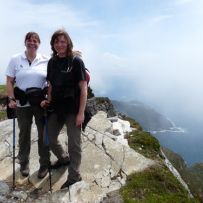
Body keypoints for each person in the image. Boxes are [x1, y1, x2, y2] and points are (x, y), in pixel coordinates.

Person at [41, 29, 87, 188]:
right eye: (56, 41)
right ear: (53, 44)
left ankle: (74, 176)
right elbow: (51, 85)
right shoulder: (52, 62)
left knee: (74, 144)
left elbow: (83, 88)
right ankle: (63, 159)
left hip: (73, 109)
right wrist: (48, 100)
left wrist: (81, 113)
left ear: (68, 43)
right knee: (50, 137)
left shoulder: (76, 62)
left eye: (63, 41)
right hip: (56, 107)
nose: (59, 44)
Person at [6, 32, 50, 179]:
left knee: (43, 133)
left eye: (35, 41)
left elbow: (51, 82)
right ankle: (24, 162)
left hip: (40, 103)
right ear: (25, 42)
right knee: (24, 133)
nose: (32, 43)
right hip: (22, 103)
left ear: (39, 43)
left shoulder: (46, 60)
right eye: (29, 40)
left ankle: (44, 164)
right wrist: (11, 99)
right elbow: (10, 80)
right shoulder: (15, 59)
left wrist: (48, 98)